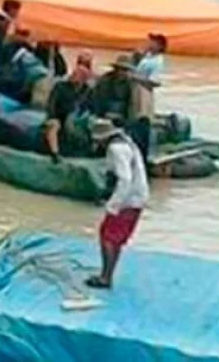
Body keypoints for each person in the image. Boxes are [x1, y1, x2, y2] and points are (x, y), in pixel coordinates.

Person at [85, 118, 149, 289]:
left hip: (128, 199)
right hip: (138, 196)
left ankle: (105, 277)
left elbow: (125, 179)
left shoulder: (116, 149)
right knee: (116, 238)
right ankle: (108, 274)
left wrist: (114, 204)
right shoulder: (127, 142)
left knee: (107, 235)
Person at [45, 55, 94, 162]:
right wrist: (52, 117)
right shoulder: (60, 86)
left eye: (78, 75)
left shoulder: (87, 91)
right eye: (74, 74)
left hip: (76, 118)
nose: (74, 76)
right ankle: (55, 153)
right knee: (53, 126)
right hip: (59, 116)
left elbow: (90, 106)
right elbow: (51, 104)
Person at [91, 55, 134, 124]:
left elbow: (130, 103)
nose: (123, 72)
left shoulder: (130, 83)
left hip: (122, 116)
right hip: (105, 114)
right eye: (121, 69)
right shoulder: (104, 80)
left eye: (125, 70)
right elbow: (98, 99)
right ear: (116, 69)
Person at [0, 0, 22, 70]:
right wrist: (20, 39)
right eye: (17, 11)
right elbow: (4, 40)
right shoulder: (3, 21)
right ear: (11, 9)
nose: (17, 13)